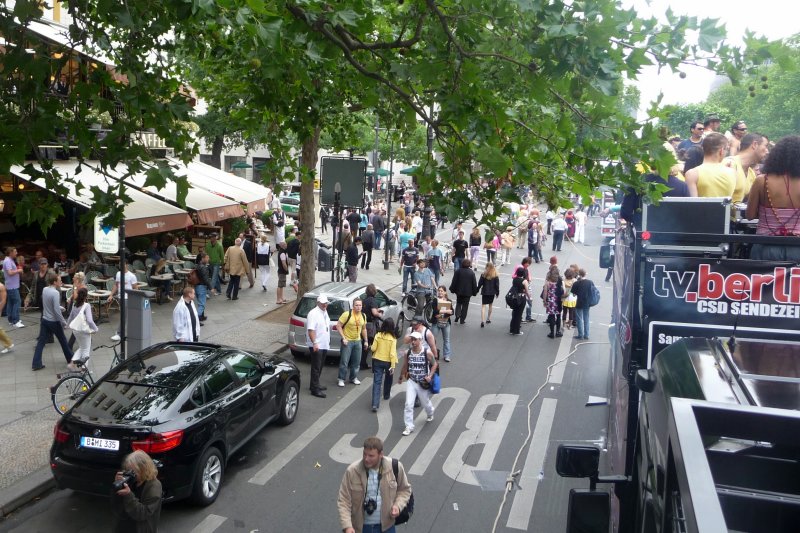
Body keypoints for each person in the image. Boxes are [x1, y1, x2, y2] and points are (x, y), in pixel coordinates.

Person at [337, 436, 412, 533]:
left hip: (387, 527)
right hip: (361, 529)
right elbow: (343, 500)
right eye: (364, 454)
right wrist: (347, 526)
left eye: (371, 456)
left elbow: (404, 490)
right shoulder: (352, 471)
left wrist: (398, 506)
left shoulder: (395, 467)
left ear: (381, 454)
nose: (366, 459)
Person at [746, 135, 800, 260]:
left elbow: (749, 215)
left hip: (765, 246)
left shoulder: (761, 181)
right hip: (797, 247)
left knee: (765, 280)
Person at [111, 450, 162, 533]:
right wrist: (118, 486)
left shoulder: (154, 486)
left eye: (133, 471)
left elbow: (142, 514)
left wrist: (128, 495)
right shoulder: (132, 481)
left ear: (144, 469)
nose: (130, 474)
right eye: (128, 470)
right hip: (124, 526)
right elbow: (116, 505)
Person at [398, 331, 438, 436]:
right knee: (408, 404)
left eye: (415, 339)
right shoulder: (408, 353)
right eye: (412, 339)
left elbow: (434, 364)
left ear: (420, 340)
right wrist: (401, 376)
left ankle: (430, 412)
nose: (413, 342)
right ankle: (409, 426)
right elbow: (405, 365)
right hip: (411, 381)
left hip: (422, 382)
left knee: (425, 403)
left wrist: (430, 376)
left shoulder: (427, 353)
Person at [31, 271, 73, 371]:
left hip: (45, 320)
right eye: (59, 280)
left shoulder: (45, 289)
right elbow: (56, 311)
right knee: (63, 341)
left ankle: (36, 364)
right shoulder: (55, 293)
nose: (61, 281)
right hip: (54, 321)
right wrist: (64, 322)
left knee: (41, 342)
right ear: (54, 282)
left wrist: (59, 307)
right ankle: (71, 360)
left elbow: (47, 303)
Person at [685, 132, 736, 198]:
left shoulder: (692, 174)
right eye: (727, 149)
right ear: (722, 150)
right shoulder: (732, 172)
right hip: (725, 208)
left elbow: (693, 204)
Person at [336, 298, 368, 388]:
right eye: (356, 305)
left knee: (356, 361)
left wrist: (365, 341)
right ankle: (341, 379)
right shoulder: (347, 314)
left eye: (360, 305)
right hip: (348, 341)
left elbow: (364, 328)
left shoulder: (363, 316)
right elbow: (338, 325)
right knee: (344, 361)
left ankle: (353, 378)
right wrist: (343, 338)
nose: (358, 307)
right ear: (353, 306)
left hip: (358, 341)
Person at [65, 287, 99, 371]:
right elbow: (90, 320)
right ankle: (84, 369)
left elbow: (70, 317)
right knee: (86, 349)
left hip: (75, 330)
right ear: (85, 296)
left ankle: (72, 364)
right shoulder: (86, 306)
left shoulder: (74, 305)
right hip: (84, 331)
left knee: (81, 347)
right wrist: (95, 329)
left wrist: (67, 325)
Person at [370, 318, 398, 411]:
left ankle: (375, 404)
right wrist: (393, 366)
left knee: (377, 382)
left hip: (377, 360)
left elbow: (373, 348)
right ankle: (386, 395)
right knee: (388, 379)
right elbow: (392, 353)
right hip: (388, 362)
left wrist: (371, 346)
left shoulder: (378, 335)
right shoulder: (393, 338)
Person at [306, 295, 331, 398]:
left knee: (320, 365)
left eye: (326, 303)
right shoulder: (313, 314)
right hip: (317, 344)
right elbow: (311, 330)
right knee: (316, 366)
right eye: (322, 303)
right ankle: (314, 389)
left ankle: (315, 384)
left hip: (323, 344)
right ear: (318, 303)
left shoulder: (324, 311)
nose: (325, 304)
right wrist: (315, 342)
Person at [109, 265, 139, 342]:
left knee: (124, 316)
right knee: (125, 316)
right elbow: (116, 285)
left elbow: (135, 288)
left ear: (126, 265)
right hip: (120, 297)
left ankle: (119, 334)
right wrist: (111, 295)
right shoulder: (118, 274)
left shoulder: (132, 276)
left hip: (127, 298)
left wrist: (135, 300)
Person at [449, 258, 477, 325]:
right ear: (469, 264)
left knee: (458, 303)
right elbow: (474, 283)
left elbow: (454, 281)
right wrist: (474, 292)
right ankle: (462, 319)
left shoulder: (458, 271)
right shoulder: (471, 273)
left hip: (459, 291)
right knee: (465, 306)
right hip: (468, 292)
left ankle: (457, 315)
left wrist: (452, 289)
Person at [570, 268, 595, 340]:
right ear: (585, 274)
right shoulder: (590, 282)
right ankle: (586, 335)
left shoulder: (576, 283)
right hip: (587, 303)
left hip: (579, 303)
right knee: (586, 318)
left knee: (579, 319)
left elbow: (573, 294)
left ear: (579, 275)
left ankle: (580, 335)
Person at [432, 286, 454, 362]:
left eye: (442, 291)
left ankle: (447, 355)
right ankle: (433, 355)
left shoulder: (449, 301)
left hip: (446, 323)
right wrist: (446, 312)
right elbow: (435, 312)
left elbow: (452, 312)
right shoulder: (435, 300)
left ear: (445, 292)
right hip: (436, 322)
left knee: (446, 340)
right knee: (432, 339)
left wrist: (442, 314)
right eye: (439, 291)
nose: (440, 292)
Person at [542, 267, 564, 338]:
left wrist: (544, 301)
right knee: (558, 316)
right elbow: (563, 291)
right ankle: (558, 331)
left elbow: (545, 292)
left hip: (551, 302)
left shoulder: (548, 282)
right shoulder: (560, 280)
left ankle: (552, 333)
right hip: (558, 301)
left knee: (551, 316)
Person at [476, 262, 500, 328]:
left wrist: (477, 290)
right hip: (492, 292)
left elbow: (480, 283)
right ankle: (488, 318)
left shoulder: (483, 274)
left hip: (485, 292)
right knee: (490, 305)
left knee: (483, 306)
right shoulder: (495, 275)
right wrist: (497, 293)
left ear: (486, 267)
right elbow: (497, 285)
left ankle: (482, 321)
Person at [509, 266, 530, 335]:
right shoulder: (524, 281)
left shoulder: (514, 280)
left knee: (514, 313)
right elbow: (526, 291)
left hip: (514, 297)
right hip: (521, 298)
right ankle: (517, 330)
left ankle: (511, 329)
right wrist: (529, 297)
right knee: (519, 314)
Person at [194, 251, 211, 322]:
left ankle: (201, 316)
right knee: (201, 305)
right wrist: (211, 287)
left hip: (197, 286)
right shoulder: (203, 267)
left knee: (200, 303)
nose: (208, 259)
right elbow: (205, 279)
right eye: (207, 258)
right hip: (201, 287)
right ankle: (197, 320)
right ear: (202, 258)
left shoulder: (197, 265)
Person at [0, 282, 16, 354]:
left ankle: (8, 344)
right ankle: (8, 344)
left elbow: (3, 300)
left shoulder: (1, 286)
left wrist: (0, 310)